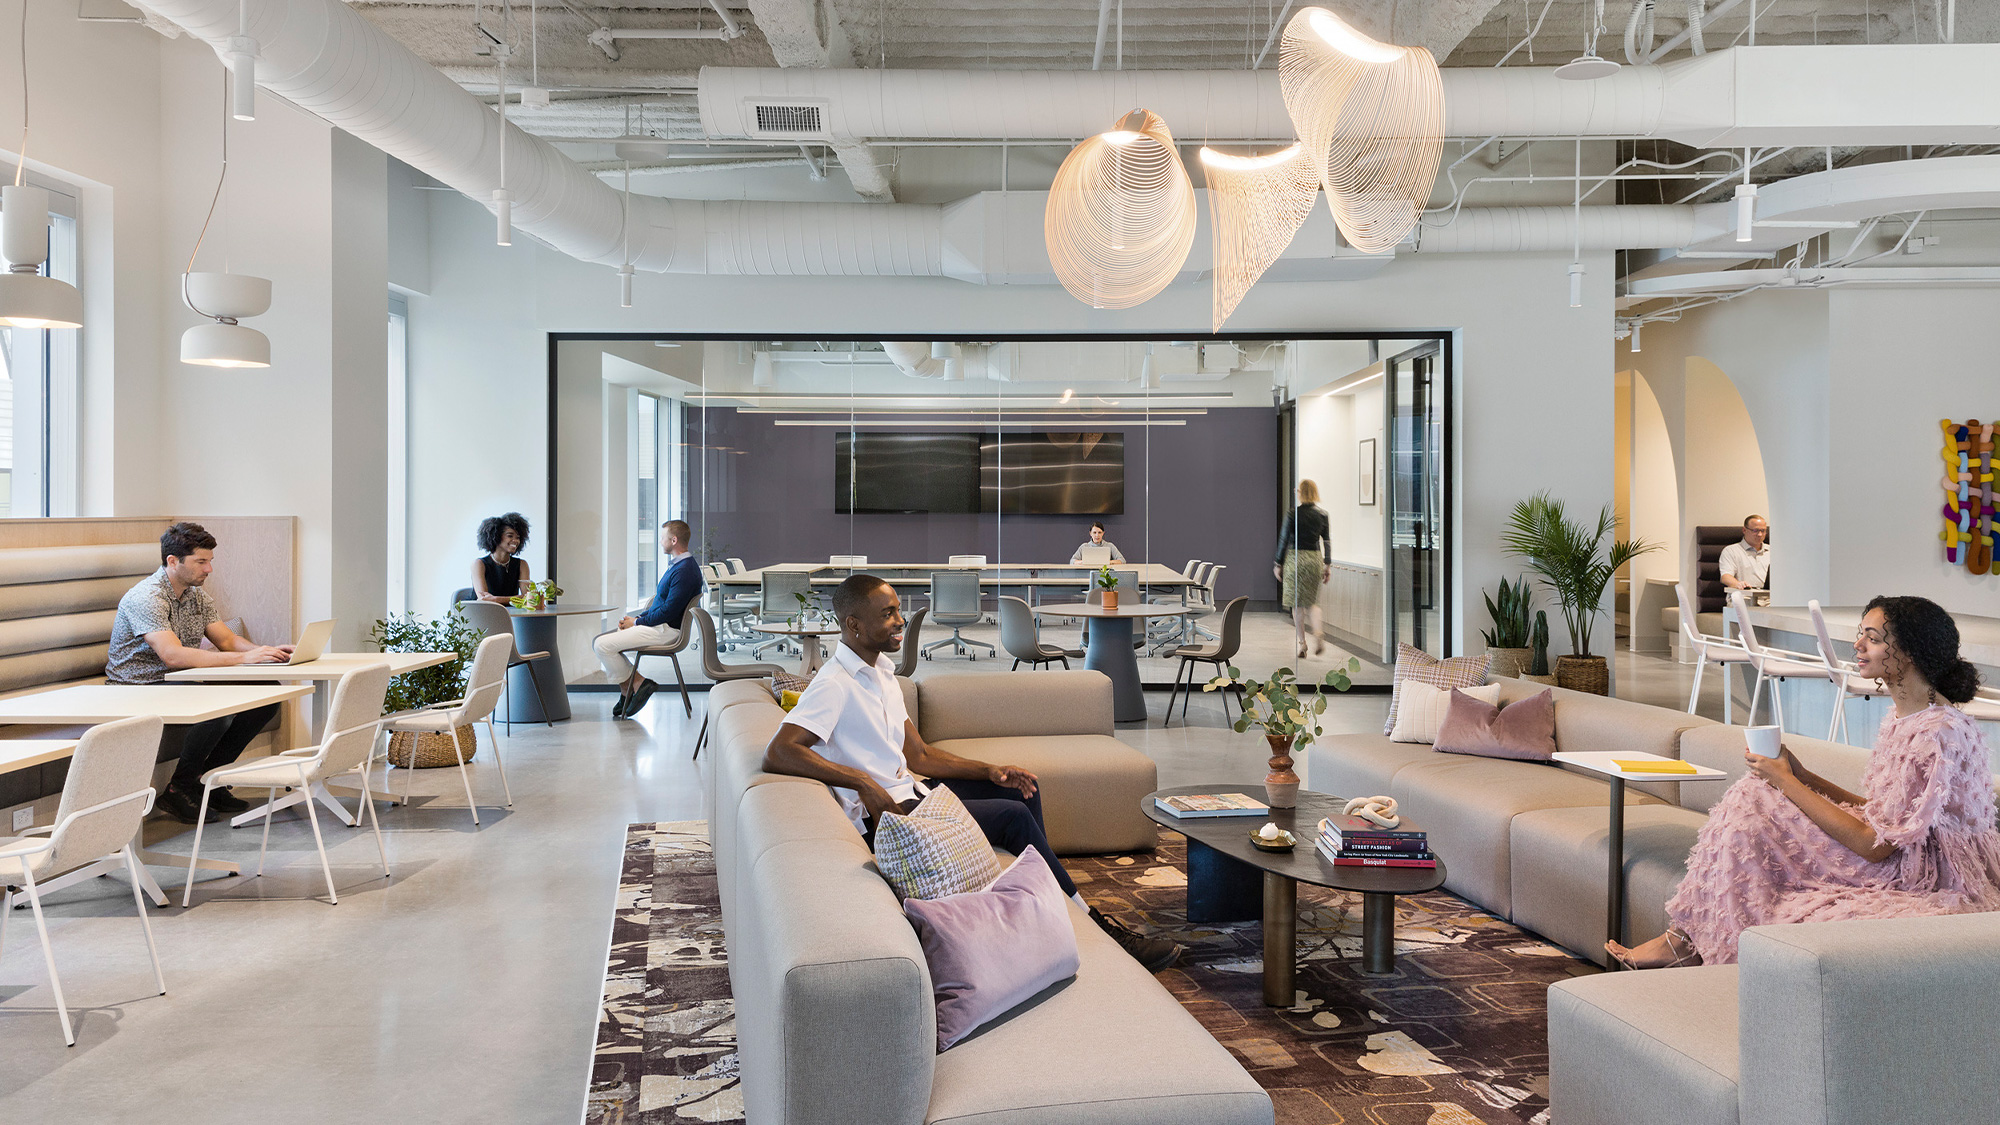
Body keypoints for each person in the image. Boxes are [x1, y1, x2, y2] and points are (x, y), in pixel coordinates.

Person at [762, 574, 1184, 972]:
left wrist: (991, 771)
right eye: (887, 613)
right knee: (1014, 820)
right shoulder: (835, 684)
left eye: (897, 610)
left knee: (1021, 791)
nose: (900, 620)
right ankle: (1091, 923)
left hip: (914, 790)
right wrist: (861, 782)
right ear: (853, 624)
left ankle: (1042, 905)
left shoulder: (882, 675)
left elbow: (921, 756)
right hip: (890, 819)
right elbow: (779, 751)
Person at [1608, 595, 2000, 969]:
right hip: (1897, 852)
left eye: (1874, 639)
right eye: (1861, 633)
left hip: (1920, 872)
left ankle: (1687, 945)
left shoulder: (1939, 733)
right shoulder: (1905, 716)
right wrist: (1803, 776)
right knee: (1756, 791)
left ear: (1911, 653)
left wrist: (1786, 783)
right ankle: (1683, 940)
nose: (1858, 645)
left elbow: (1877, 845)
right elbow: (1882, 812)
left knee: (1756, 794)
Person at [107, 521, 295, 824]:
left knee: (267, 693)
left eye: (210, 562)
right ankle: (179, 789)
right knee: (215, 709)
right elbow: (172, 656)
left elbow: (227, 639)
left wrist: (266, 654)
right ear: (173, 561)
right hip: (137, 686)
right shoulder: (147, 597)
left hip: (178, 683)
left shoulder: (196, 595)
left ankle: (209, 780)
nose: (209, 569)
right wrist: (245, 658)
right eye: (201, 562)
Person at [595, 520, 704, 718]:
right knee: (614, 637)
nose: (660, 541)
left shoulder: (685, 571)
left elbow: (668, 612)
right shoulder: (680, 566)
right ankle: (627, 689)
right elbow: (661, 605)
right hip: (661, 626)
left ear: (673, 539)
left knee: (601, 645)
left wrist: (636, 622)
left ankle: (637, 684)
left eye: (663, 537)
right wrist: (636, 618)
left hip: (667, 631)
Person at [1274, 479, 1332, 660]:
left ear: (1300, 493)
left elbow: (1284, 539)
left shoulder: (1293, 514)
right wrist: (1327, 564)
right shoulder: (1322, 515)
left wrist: (1278, 563)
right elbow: (1327, 541)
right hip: (1314, 559)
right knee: (1312, 602)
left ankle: (1302, 644)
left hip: (1295, 559)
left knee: (1297, 603)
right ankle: (1318, 633)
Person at [470, 513, 532, 603]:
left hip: (510, 614)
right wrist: (517, 598)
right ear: (496, 536)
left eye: (518, 537)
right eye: (510, 536)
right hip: (481, 614)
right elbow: (483, 600)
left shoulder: (522, 564)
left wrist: (495, 599)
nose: (516, 541)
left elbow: (529, 598)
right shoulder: (479, 564)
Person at [1718, 515, 1771, 597]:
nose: (1760, 534)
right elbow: (1726, 577)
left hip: (1769, 599)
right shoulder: (1731, 551)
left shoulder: (1773, 551)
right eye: (1755, 530)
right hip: (1743, 597)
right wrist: (1738, 584)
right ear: (1744, 530)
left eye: (1763, 531)